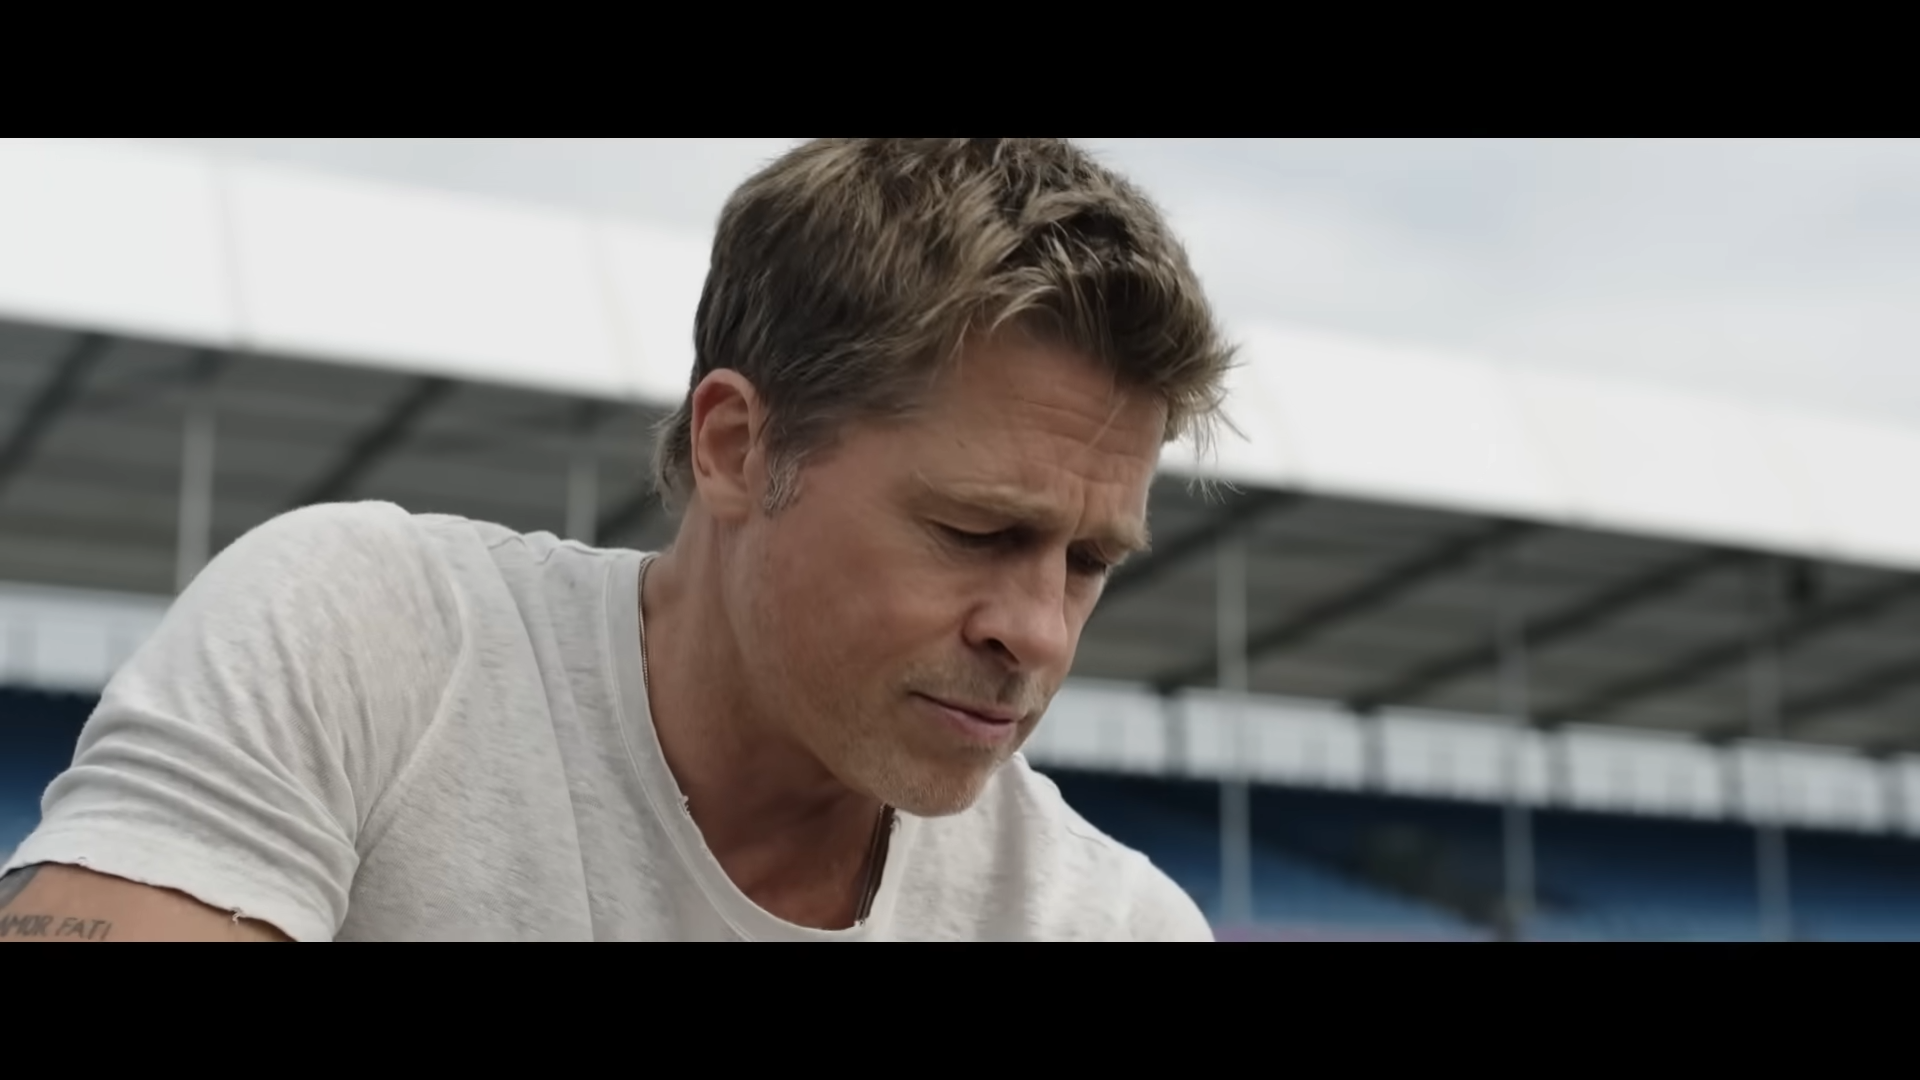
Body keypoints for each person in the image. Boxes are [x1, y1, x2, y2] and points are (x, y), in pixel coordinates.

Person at [0, 138, 1235, 941]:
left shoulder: (1107, 922)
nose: (1037, 633)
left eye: (1089, 563)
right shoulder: (366, 638)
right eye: (974, 529)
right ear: (737, 448)